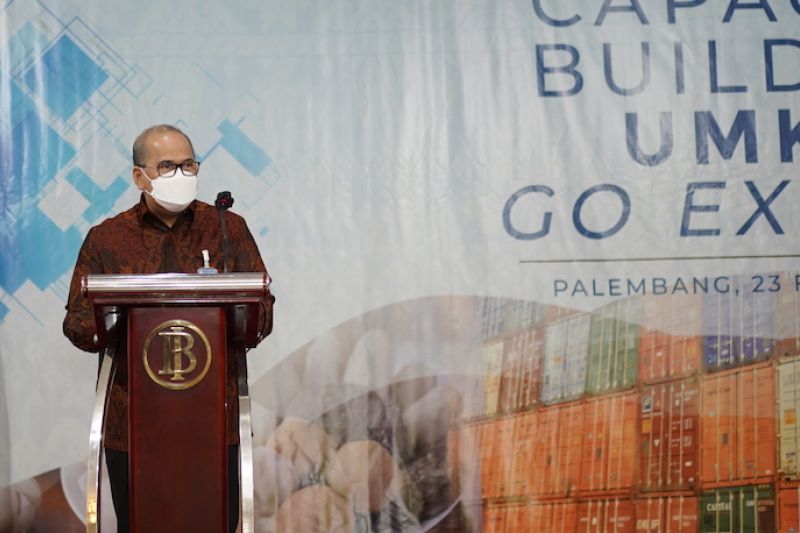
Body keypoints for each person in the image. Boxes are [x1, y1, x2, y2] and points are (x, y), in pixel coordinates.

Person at [63, 124, 274, 532]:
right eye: (166, 167)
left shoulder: (227, 228)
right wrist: (111, 319)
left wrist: (245, 315)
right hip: (133, 426)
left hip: (214, 423)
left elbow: (262, 309)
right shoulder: (107, 238)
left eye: (188, 165)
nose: (181, 175)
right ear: (139, 176)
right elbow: (77, 322)